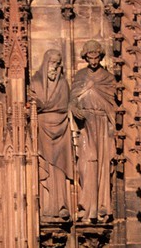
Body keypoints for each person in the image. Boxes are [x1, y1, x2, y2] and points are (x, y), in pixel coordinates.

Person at [71, 42, 115, 220]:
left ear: (101, 57)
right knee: (86, 164)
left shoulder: (108, 78)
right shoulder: (80, 76)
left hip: (103, 124)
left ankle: (103, 205)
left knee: (103, 164)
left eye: (97, 57)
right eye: (90, 57)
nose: (94, 61)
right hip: (85, 125)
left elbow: (113, 103)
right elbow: (73, 99)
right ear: (85, 57)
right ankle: (87, 205)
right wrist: (74, 108)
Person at [31, 49, 73, 219]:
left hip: (62, 129)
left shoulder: (63, 84)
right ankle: (47, 205)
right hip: (43, 130)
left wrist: (45, 106)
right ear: (45, 63)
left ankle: (61, 204)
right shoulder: (35, 82)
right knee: (45, 166)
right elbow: (32, 103)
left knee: (59, 167)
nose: (54, 68)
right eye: (51, 63)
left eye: (57, 64)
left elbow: (65, 105)